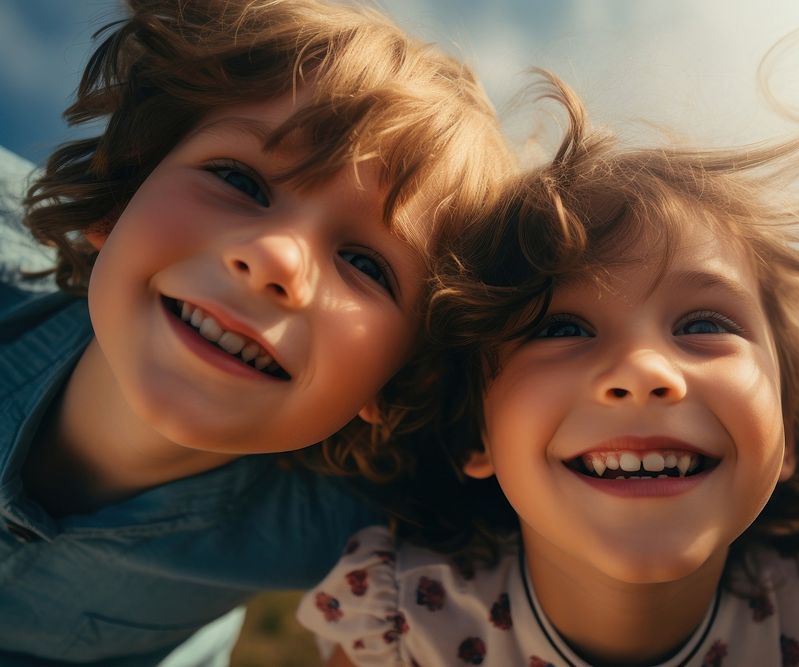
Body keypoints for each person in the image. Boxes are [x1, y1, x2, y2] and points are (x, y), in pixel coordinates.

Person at [297, 77, 799, 666]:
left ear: (786, 425)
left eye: (703, 325)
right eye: (561, 328)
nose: (642, 371)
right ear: (474, 431)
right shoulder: (401, 619)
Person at [0, 0, 512, 664]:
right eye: (238, 179)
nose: (277, 259)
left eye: (364, 264)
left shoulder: (352, 525)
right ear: (120, 198)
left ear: (399, 377)